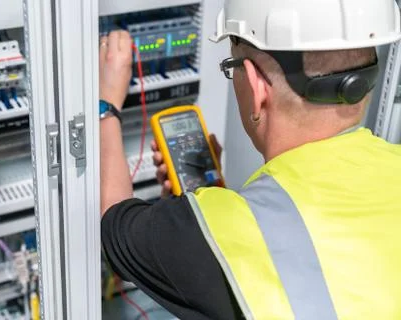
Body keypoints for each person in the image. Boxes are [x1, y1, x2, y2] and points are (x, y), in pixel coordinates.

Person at [99, 0, 401, 319]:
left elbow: (113, 224)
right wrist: (204, 200)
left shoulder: (225, 230)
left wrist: (106, 104)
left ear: (257, 87)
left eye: (232, 68)